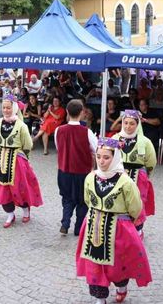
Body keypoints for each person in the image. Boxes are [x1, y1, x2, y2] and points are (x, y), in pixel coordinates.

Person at [76, 137, 152, 304]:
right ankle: (100, 297)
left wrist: (123, 221)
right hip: (94, 225)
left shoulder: (126, 181)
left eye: (106, 157)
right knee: (94, 263)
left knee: (118, 264)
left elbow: (135, 207)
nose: (101, 161)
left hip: (119, 228)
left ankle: (121, 286)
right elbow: (88, 200)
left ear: (115, 157)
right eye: (98, 156)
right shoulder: (90, 177)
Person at [0, 95, 43, 228]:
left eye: (8, 108)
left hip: (17, 160)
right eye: (4, 107)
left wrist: (22, 156)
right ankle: (10, 213)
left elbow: (28, 144)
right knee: (3, 187)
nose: (6, 110)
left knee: (20, 186)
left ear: (14, 108)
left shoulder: (21, 125)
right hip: (1, 159)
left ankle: (25, 209)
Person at [55, 100, 97, 236]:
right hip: (82, 172)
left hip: (64, 170)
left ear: (67, 112)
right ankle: (78, 227)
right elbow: (96, 150)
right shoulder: (87, 132)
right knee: (83, 201)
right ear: (82, 113)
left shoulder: (58, 130)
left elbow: (58, 147)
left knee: (67, 198)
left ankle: (65, 222)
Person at [113, 109, 157, 236]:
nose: (128, 126)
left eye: (132, 123)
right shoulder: (115, 138)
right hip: (119, 176)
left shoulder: (145, 142)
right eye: (125, 123)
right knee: (120, 200)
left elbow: (151, 162)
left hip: (139, 176)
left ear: (137, 124)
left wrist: (146, 175)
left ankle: (138, 228)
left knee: (137, 202)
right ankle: (120, 228)